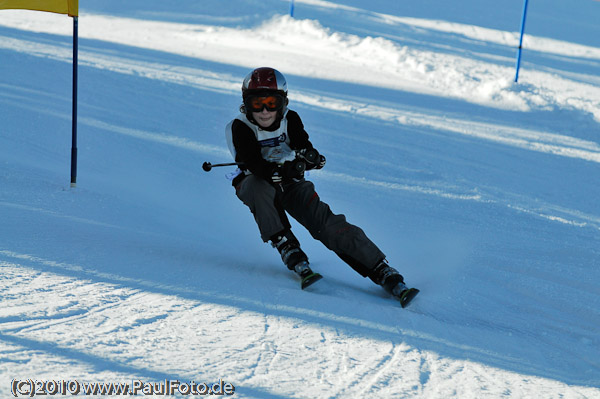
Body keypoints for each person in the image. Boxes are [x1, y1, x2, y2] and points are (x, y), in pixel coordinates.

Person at [225, 67, 418, 305]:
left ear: (283, 102)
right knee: (259, 187)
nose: (265, 111)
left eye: (271, 103)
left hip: (290, 183)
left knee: (324, 222)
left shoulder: (290, 119)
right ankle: (285, 243)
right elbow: (253, 162)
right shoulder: (240, 126)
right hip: (254, 181)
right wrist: (276, 170)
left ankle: (379, 268)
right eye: (257, 104)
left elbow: (303, 145)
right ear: (246, 104)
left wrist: (309, 158)